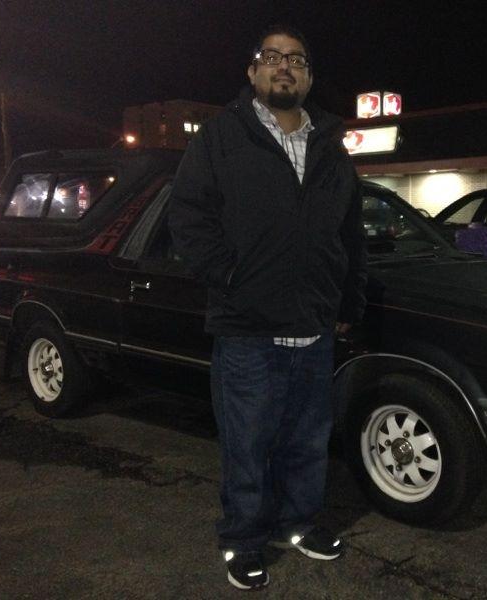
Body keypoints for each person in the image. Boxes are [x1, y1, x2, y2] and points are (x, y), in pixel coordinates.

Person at [167, 24, 367, 591]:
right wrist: (231, 277)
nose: (285, 67)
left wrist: (347, 299)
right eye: (273, 57)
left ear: (309, 78)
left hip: (315, 325)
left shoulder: (330, 146)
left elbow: (350, 232)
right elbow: (188, 215)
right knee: (248, 442)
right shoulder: (220, 137)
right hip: (247, 327)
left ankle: (298, 523)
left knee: (308, 438)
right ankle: (243, 539)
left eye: (297, 60)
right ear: (253, 71)